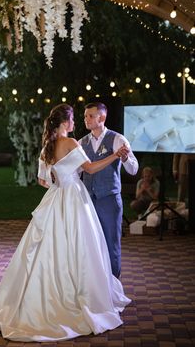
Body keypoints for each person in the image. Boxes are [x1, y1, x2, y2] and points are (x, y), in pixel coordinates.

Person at [0, 104, 131, 342]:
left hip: (56, 197)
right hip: (74, 198)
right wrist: (114, 156)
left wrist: (62, 179)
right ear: (65, 122)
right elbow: (91, 169)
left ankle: (39, 296)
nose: (76, 123)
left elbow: (42, 181)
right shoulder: (72, 143)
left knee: (49, 246)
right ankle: (78, 296)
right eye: (73, 119)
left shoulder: (47, 146)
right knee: (81, 245)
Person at [79, 102, 138, 279]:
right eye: (85, 116)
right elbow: (77, 171)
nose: (86, 119)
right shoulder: (82, 142)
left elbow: (134, 169)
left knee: (111, 243)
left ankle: (114, 286)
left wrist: (126, 158)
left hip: (109, 200)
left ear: (102, 117)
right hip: (87, 200)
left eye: (90, 116)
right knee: (90, 244)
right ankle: (95, 286)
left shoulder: (117, 139)